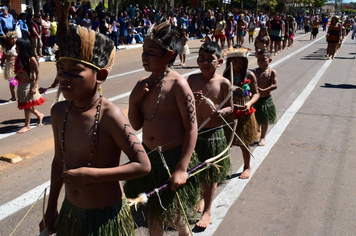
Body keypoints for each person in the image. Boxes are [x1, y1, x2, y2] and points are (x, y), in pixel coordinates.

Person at [39, 24, 151, 236]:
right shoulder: (58, 112)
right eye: (61, 69)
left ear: (100, 75)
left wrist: (93, 175)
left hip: (105, 218)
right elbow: (59, 159)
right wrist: (52, 207)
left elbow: (143, 165)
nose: (64, 77)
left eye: (74, 70)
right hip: (71, 213)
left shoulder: (110, 115)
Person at [125, 20, 199, 236]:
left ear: (168, 55)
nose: (144, 56)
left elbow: (191, 129)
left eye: (150, 52)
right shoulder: (143, 83)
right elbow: (136, 124)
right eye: (143, 51)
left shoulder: (178, 85)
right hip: (150, 159)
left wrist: (182, 168)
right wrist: (133, 100)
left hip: (172, 160)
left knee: (177, 217)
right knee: (153, 216)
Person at [187, 41, 233, 229]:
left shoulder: (223, 83)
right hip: (195, 133)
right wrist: (192, 100)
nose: (205, 63)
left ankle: (207, 210)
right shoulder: (191, 79)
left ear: (219, 62)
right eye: (201, 59)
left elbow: (231, 107)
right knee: (195, 173)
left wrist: (221, 113)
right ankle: (200, 197)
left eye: (210, 60)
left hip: (214, 135)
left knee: (210, 175)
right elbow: (183, 105)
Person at [223, 46, 259, 179]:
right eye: (234, 61)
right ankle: (223, 169)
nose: (238, 64)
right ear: (229, 62)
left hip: (245, 113)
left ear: (245, 62)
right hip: (230, 113)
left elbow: (256, 94)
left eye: (241, 61)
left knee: (244, 142)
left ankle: (247, 166)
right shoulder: (226, 76)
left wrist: (249, 103)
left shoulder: (249, 75)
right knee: (226, 142)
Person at [15, 38, 45, 134]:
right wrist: (14, 79)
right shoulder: (19, 58)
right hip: (21, 85)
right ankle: (39, 115)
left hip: (29, 85)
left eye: (17, 47)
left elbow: (38, 73)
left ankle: (27, 126)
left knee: (26, 106)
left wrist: (34, 87)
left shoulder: (31, 59)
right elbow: (18, 71)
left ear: (23, 48)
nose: (16, 48)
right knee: (26, 105)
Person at [251, 50, 278, 146]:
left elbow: (275, 85)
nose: (261, 61)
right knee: (255, 118)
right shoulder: (254, 72)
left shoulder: (271, 72)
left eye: (264, 59)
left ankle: (263, 137)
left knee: (264, 120)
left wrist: (264, 90)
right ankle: (256, 133)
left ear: (269, 60)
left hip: (266, 100)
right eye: (259, 59)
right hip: (255, 100)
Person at [1, 31, 17, 102]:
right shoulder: (5, 47)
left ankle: (24, 95)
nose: (13, 40)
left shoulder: (17, 46)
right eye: (12, 39)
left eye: (14, 38)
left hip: (16, 65)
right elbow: (4, 57)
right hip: (9, 66)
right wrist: (1, 65)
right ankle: (13, 97)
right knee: (12, 82)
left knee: (19, 81)